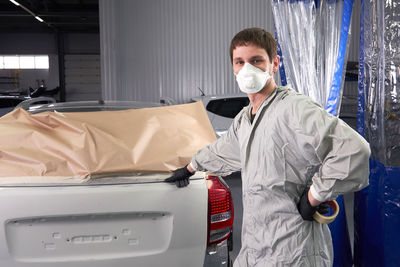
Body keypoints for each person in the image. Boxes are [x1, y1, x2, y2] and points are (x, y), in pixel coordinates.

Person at [166, 27, 370, 266]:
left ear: (274, 64)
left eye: (256, 61)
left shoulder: (293, 109)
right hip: (256, 245)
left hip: (293, 249)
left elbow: (354, 150)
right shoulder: (245, 119)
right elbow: (222, 150)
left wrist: (315, 195)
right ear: (232, 67)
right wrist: (190, 167)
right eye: (239, 62)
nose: (247, 69)